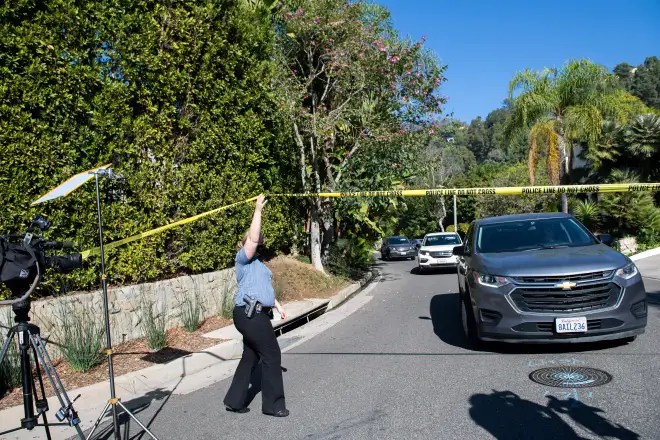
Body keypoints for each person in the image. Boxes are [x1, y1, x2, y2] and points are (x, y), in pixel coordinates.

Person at [223, 194, 289, 417]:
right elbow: (251, 239)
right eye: (254, 238)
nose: (258, 239)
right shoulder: (243, 260)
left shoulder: (260, 265)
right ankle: (273, 405)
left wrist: (278, 306)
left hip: (259, 312)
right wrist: (258, 210)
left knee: (251, 356)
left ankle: (234, 400)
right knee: (272, 355)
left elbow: (265, 290)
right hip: (249, 313)